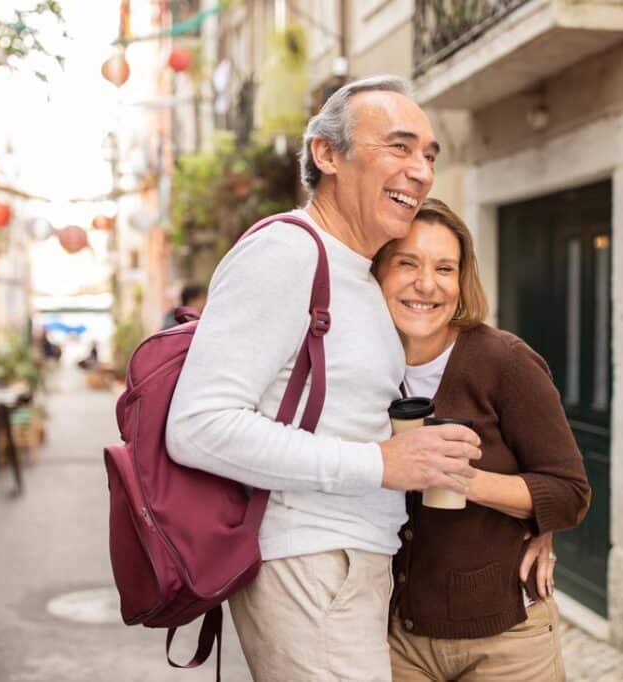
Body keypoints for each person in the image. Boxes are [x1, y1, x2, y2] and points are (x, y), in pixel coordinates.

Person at [166, 75, 482, 681]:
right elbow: (199, 426)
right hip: (310, 562)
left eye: (428, 155)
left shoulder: (359, 272)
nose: (420, 170)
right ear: (327, 154)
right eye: (399, 146)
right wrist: (381, 464)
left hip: (349, 565)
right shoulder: (288, 253)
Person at [372, 198, 591, 681]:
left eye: (444, 268)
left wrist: (458, 478)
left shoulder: (504, 362)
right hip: (394, 641)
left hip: (506, 641)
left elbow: (569, 492)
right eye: (407, 262)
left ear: (461, 281)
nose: (426, 284)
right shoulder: (360, 364)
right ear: (378, 272)